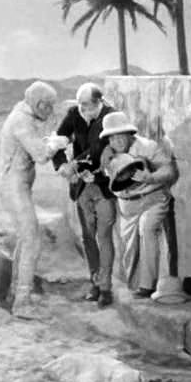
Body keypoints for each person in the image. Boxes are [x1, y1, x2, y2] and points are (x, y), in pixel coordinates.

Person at [0, 81, 68, 318]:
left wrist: (50, 141)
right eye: (48, 106)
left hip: (17, 185)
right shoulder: (21, 120)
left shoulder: (24, 117)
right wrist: (56, 143)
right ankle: (22, 303)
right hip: (13, 186)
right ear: (38, 104)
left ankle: (16, 292)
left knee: (25, 239)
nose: (50, 111)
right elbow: (40, 154)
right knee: (32, 241)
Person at [99, 111, 182, 300]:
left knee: (147, 228)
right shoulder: (108, 155)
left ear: (129, 134)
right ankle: (136, 286)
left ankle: (148, 286)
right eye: (112, 137)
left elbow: (169, 170)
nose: (117, 141)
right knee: (130, 249)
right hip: (128, 206)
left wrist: (150, 177)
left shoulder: (148, 147)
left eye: (120, 136)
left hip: (153, 198)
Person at [52, 83, 116, 308]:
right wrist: (62, 165)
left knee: (104, 236)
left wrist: (75, 164)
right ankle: (95, 282)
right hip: (81, 188)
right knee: (88, 237)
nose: (82, 109)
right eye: (80, 104)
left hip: (103, 187)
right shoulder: (74, 114)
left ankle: (106, 287)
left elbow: (99, 149)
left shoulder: (111, 116)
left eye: (87, 104)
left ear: (99, 102)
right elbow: (58, 140)